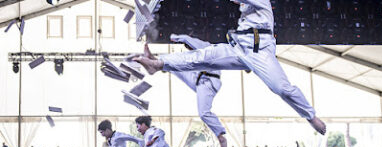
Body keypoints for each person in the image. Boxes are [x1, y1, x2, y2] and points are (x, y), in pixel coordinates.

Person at [133, 0, 326, 136]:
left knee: (281, 88)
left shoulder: (262, 2)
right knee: (202, 57)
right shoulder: (247, 14)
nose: (240, 7)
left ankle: (311, 116)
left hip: (259, 50)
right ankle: (158, 64)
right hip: (238, 47)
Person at [168, 34, 227, 147]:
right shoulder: (196, 56)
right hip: (199, 81)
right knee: (174, 66)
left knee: (203, 113)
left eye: (188, 47)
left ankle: (221, 137)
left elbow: (188, 40)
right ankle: (153, 61)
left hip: (208, 82)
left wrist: (177, 37)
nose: (188, 49)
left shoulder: (206, 47)